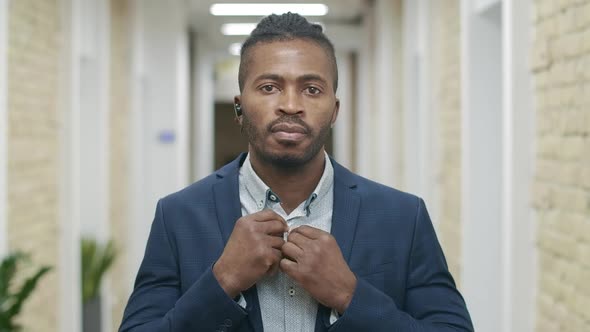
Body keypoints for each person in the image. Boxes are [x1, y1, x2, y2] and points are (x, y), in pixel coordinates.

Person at [119, 13, 473, 332]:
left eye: (312, 89)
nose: (291, 104)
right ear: (239, 108)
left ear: (334, 110)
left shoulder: (402, 217)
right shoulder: (178, 215)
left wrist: (349, 295)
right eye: (269, 87)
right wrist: (223, 279)